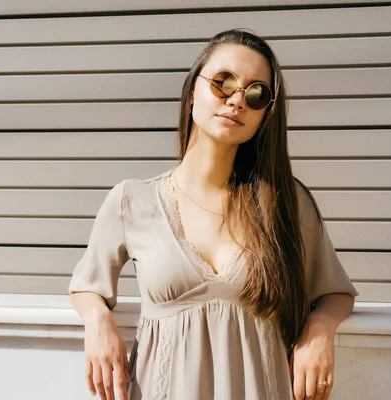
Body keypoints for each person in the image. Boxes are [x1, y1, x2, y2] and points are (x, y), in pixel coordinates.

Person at [68, 29, 358, 400]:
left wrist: (319, 330)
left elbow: (335, 292)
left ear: (265, 115)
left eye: (256, 94)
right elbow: (87, 286)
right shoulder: (131, 201)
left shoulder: (285, 201)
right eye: (223, 83)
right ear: (193, 93)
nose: (237, 100)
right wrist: (97, 321)